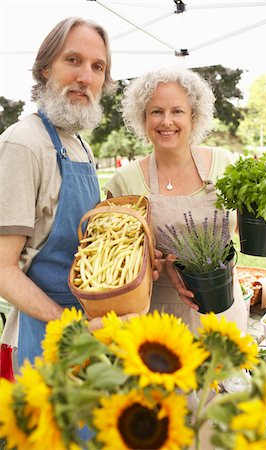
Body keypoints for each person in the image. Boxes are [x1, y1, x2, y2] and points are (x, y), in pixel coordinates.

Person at [0, 17, 162, 370]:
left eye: (97, 67)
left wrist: (136, 261)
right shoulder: (24, 143)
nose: (85, 77)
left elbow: (93, 247)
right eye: (72, 60)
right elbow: (2, 269)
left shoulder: (79, 145)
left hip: (95, 330)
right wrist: (72, 327)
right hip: (49, 336)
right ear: (44, 68)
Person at [104, 67, 248, 334]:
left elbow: (237, 227)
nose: (166, 121)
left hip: (223, 312)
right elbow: (117, 262)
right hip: (157, 320)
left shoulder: (224, 163)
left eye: (177, 111)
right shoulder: (125, 181)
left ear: (194, 117)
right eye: (156, 111)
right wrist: (161, 262)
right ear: (143, 118)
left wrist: (262, 221)